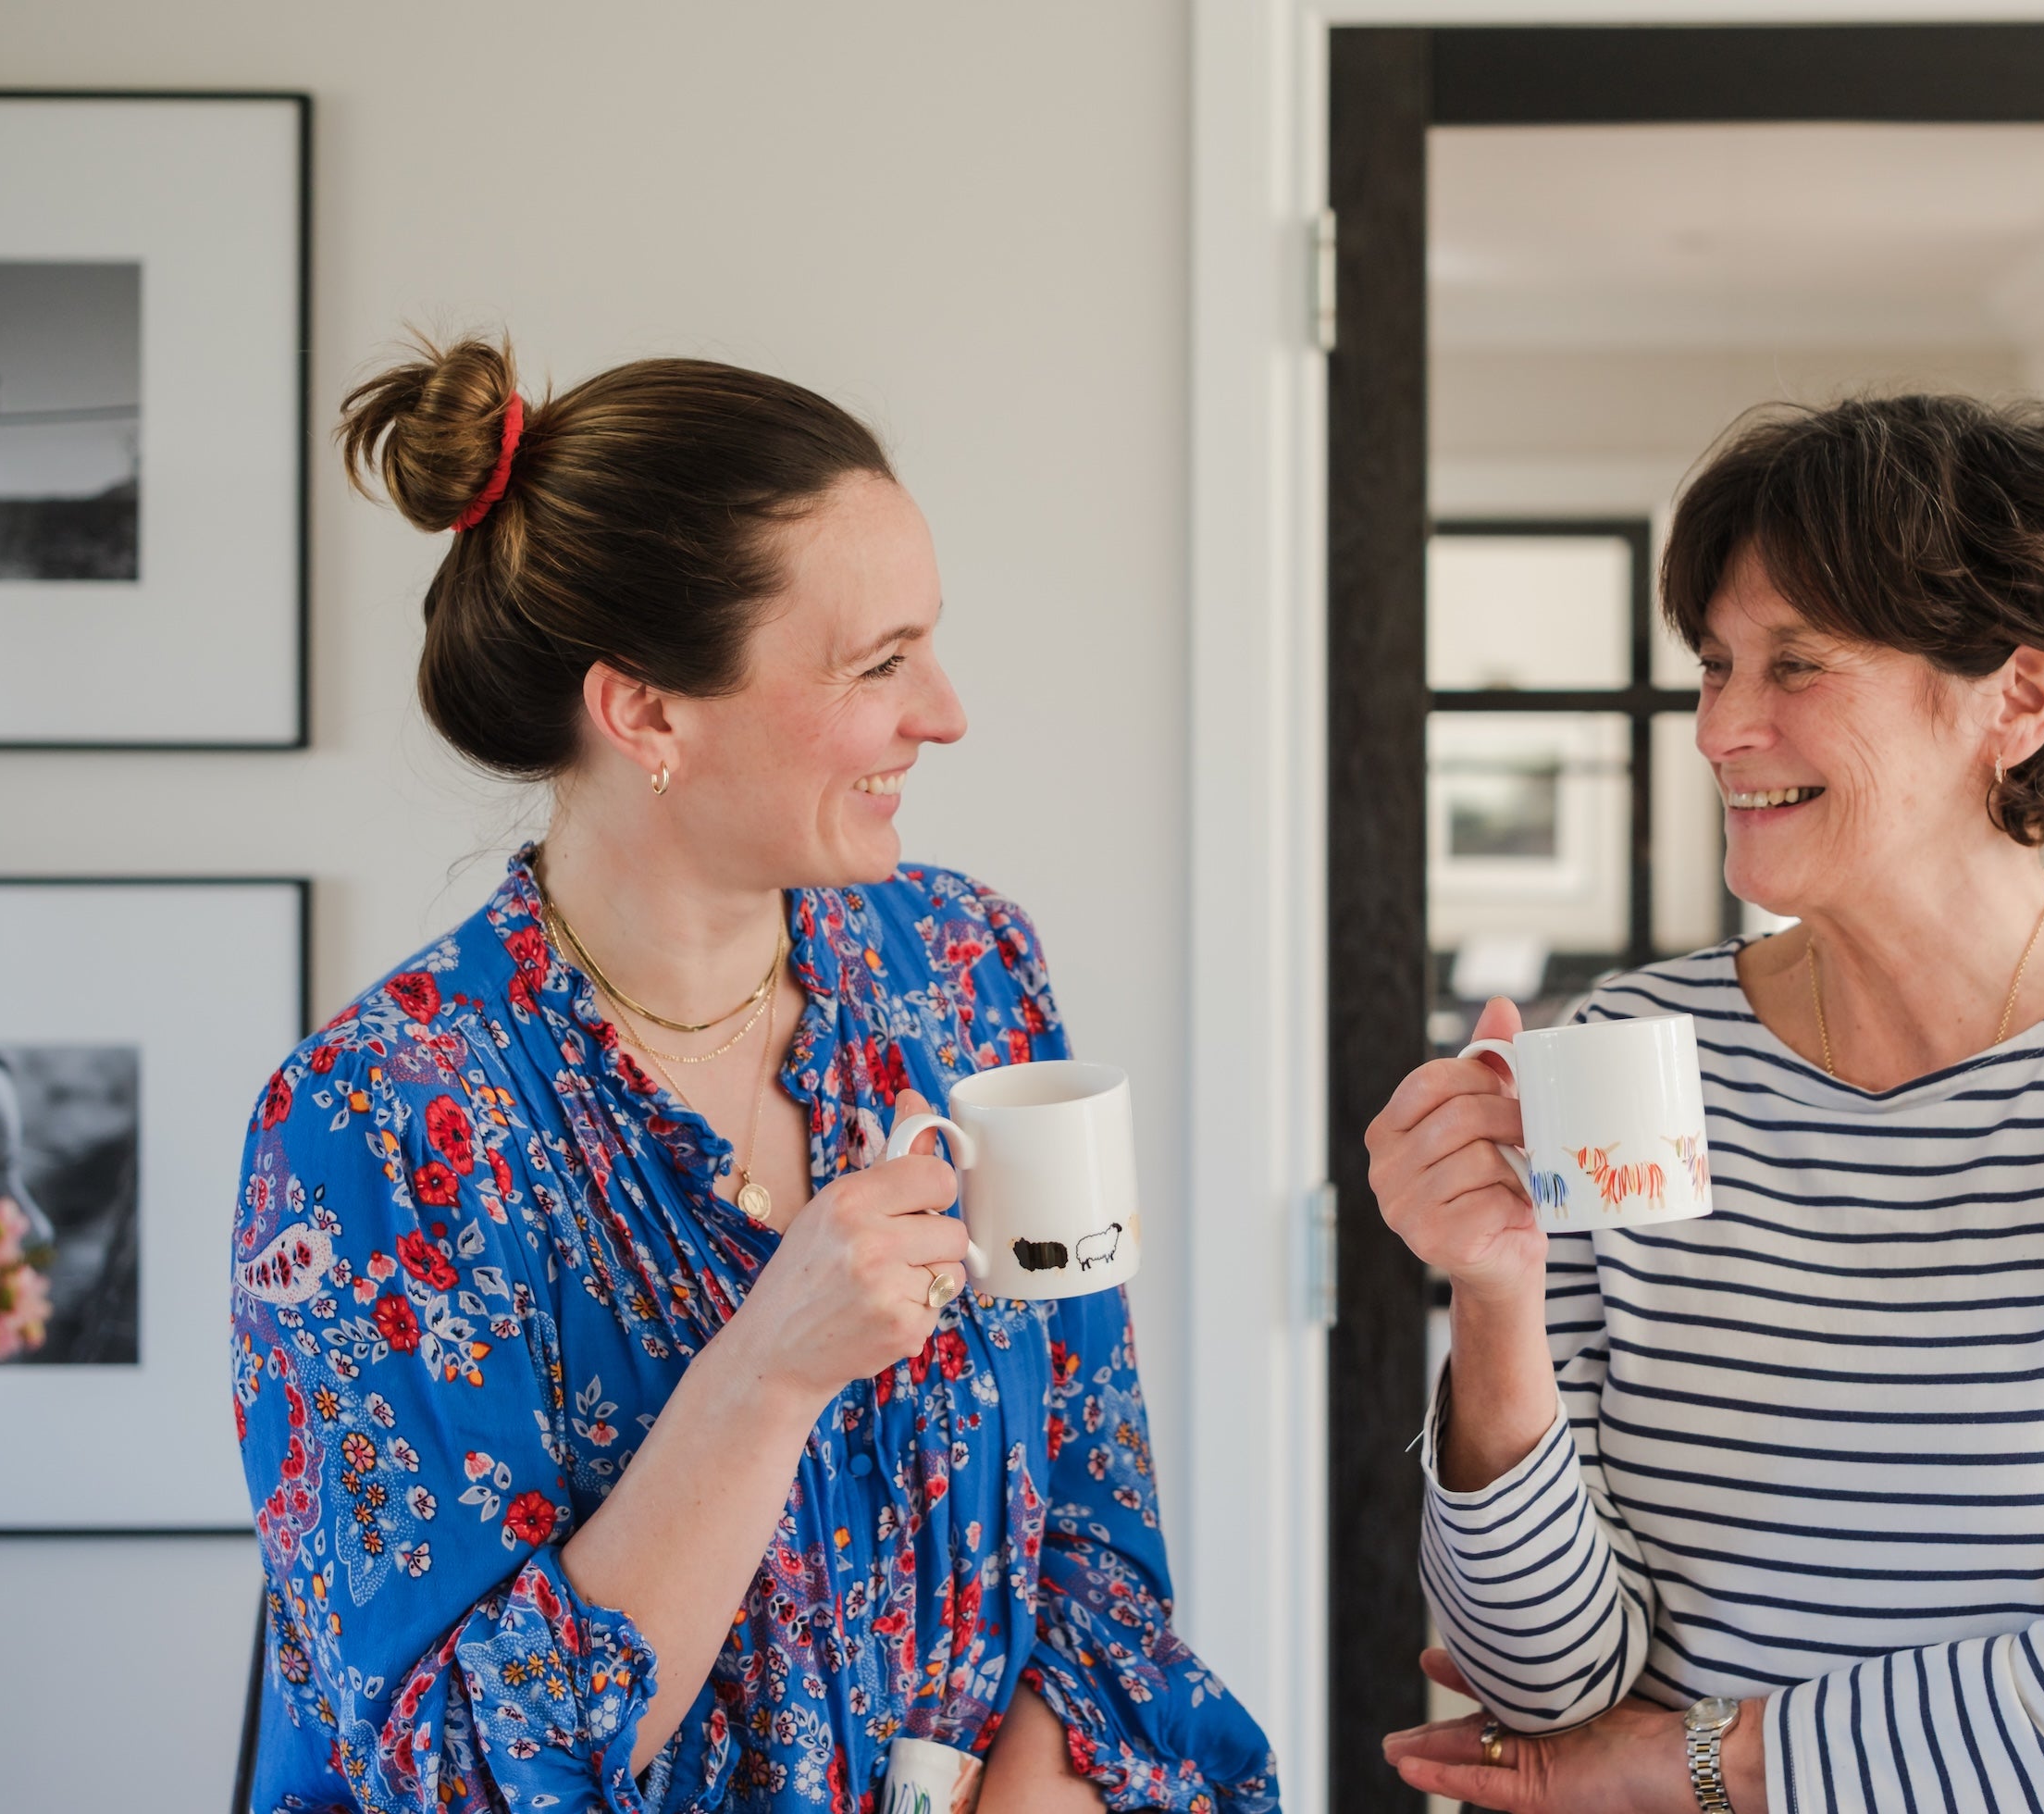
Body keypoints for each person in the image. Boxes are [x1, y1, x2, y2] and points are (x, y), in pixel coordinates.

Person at [229, 336, 1276, 1813]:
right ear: (648, 712)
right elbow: (453, 1773)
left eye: (930, 643)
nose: (946, 712)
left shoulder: (967, 970)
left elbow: (1092, 1532)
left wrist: (1052, 1779)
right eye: (879, 664)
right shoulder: (378, 1124)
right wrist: (765, 1372)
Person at [1369, 395, 2044, 1813]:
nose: (1719, 726)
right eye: (1715, 664)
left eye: (1798, 663)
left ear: (2018, 698)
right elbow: (1548, 1693)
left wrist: (1682, 1767)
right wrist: (1495, 1298)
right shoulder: (1639, 1050)